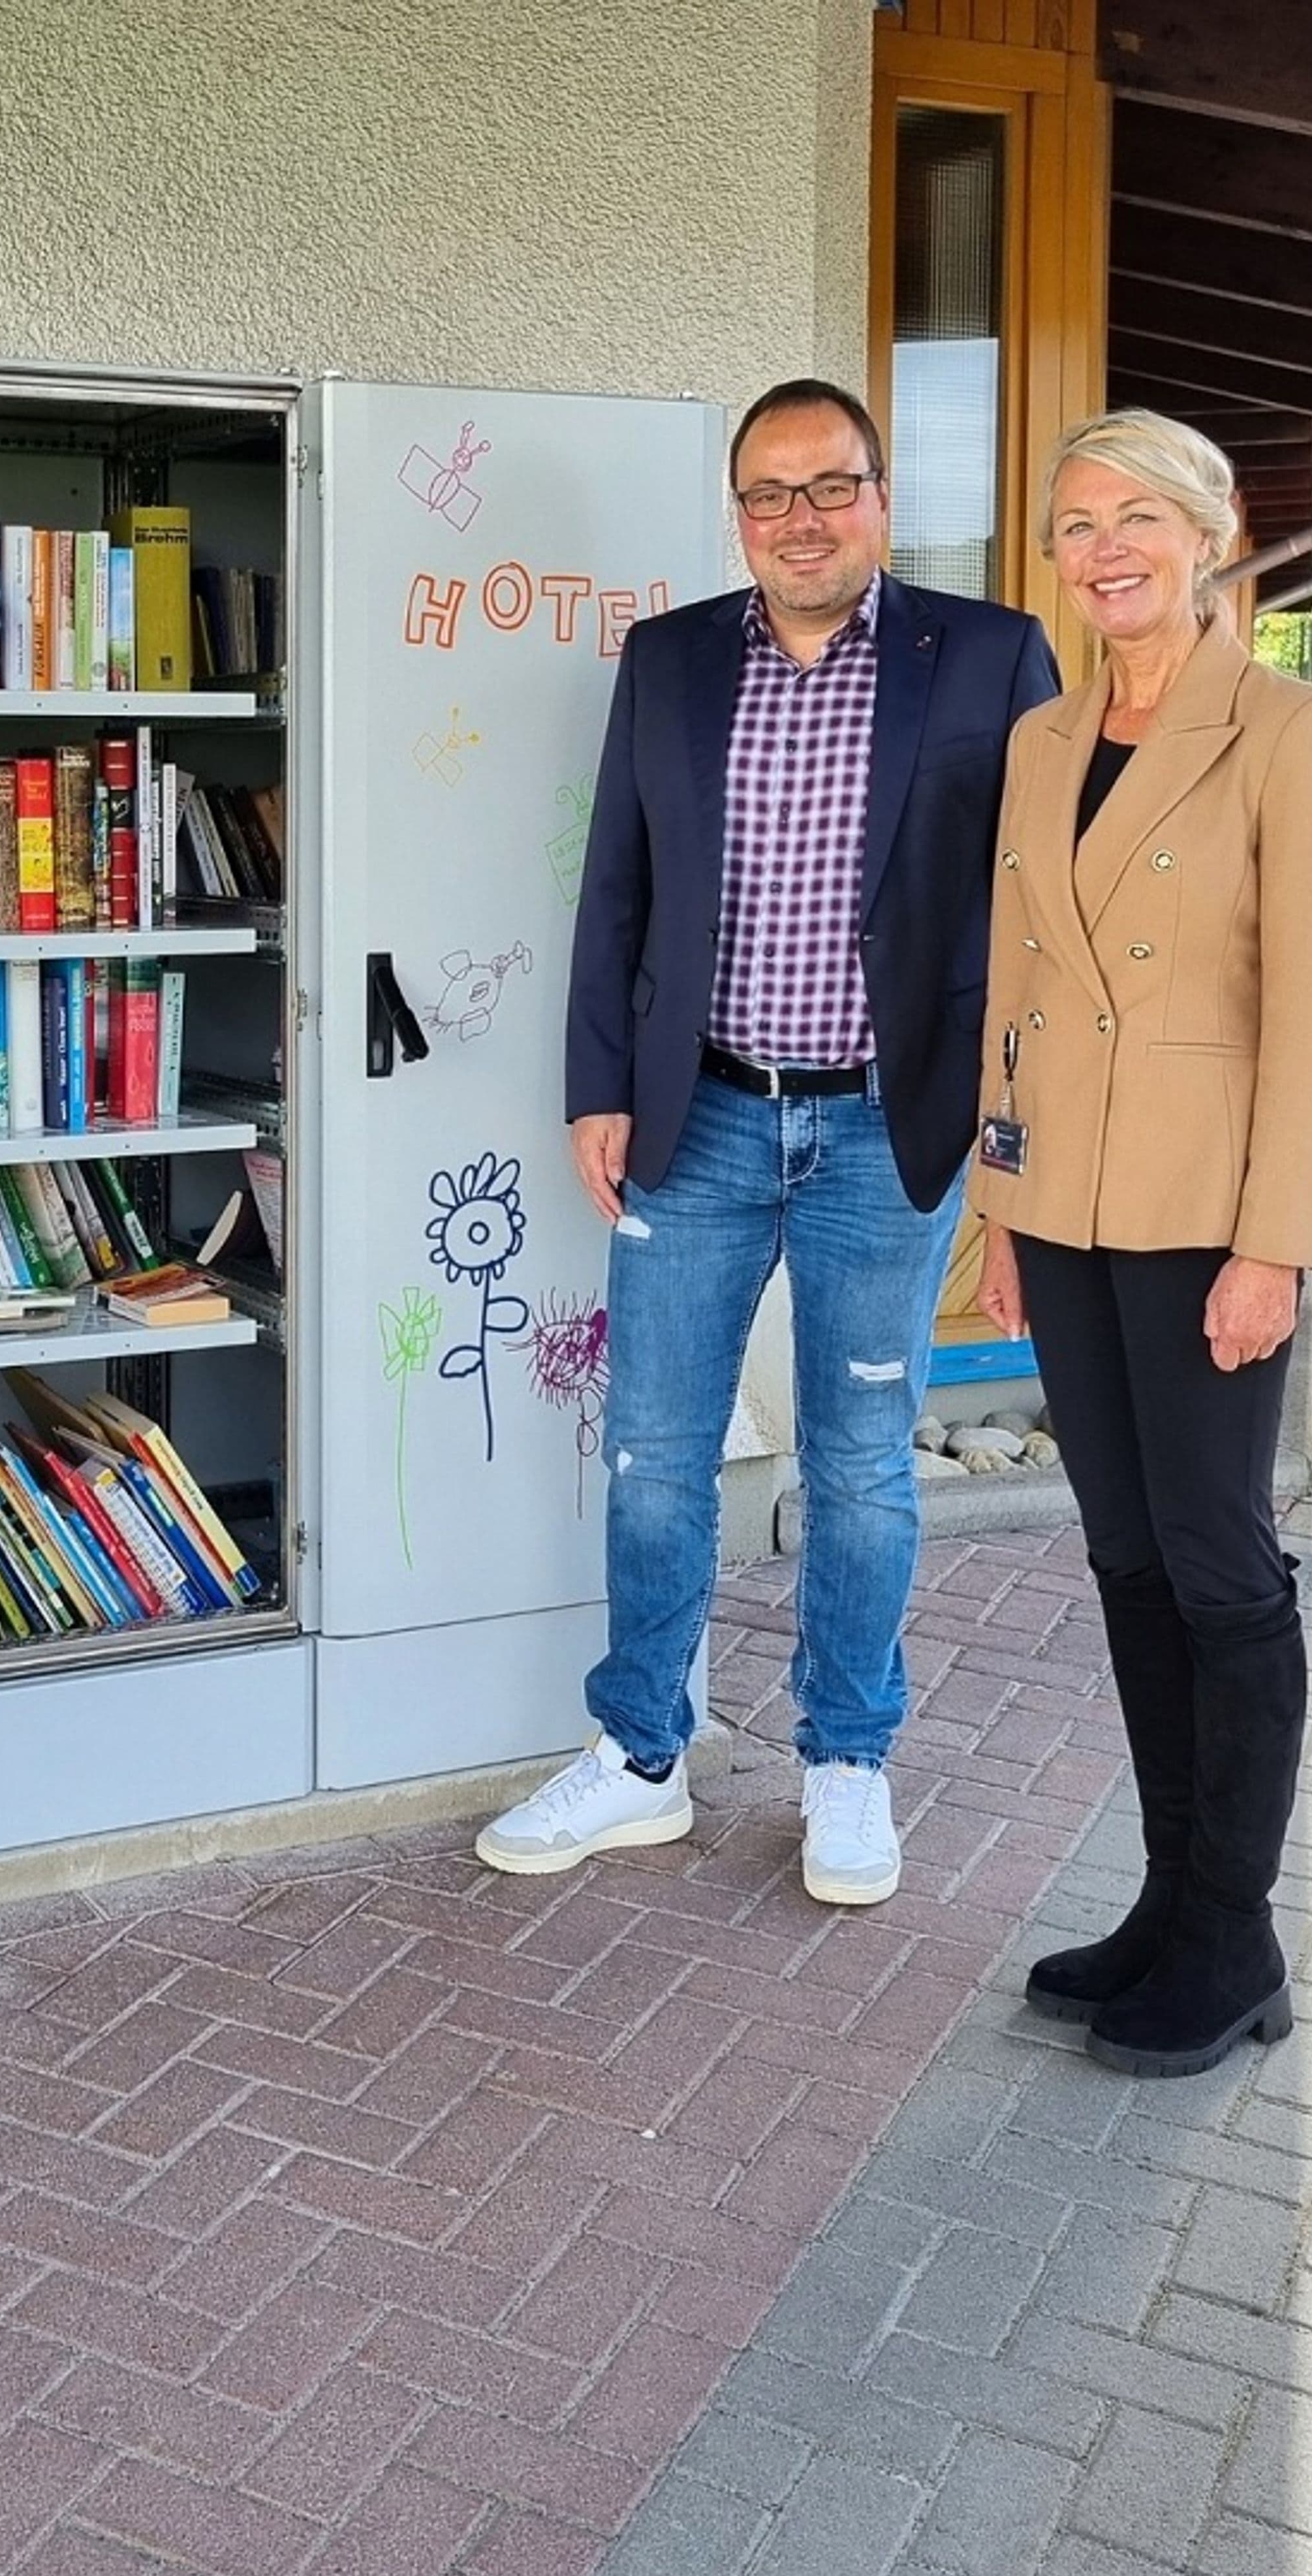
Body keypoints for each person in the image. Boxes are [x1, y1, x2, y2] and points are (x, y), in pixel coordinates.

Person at [478, 379, 1058, 1902]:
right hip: (701, 1115)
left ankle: (846, 1759)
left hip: (887, 1122)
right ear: (737, 513)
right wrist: (595, 1085)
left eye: (829, 486)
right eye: (767, 493)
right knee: (654, 1453)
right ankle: (639, 1756)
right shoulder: (669, 659)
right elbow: (614, 883)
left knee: (861, 1461)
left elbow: (1045, 913)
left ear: (880, 498)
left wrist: (1018, 1138)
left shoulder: (989, 656)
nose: (799, 518)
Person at [973, 408, 1312, 2077]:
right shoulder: (1043, 738)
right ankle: (1168, 1898)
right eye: (1075, 523)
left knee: (1217, 1563)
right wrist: (998, 1206)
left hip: (1208, 1218)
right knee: (1125, 1556)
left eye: (1137, 515)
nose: (1103, 548)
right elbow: (1018, 989)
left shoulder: (1297, 732)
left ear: (1208, 536)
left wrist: (1276, 1244)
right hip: (1064, 1207)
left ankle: (1234, 1931)